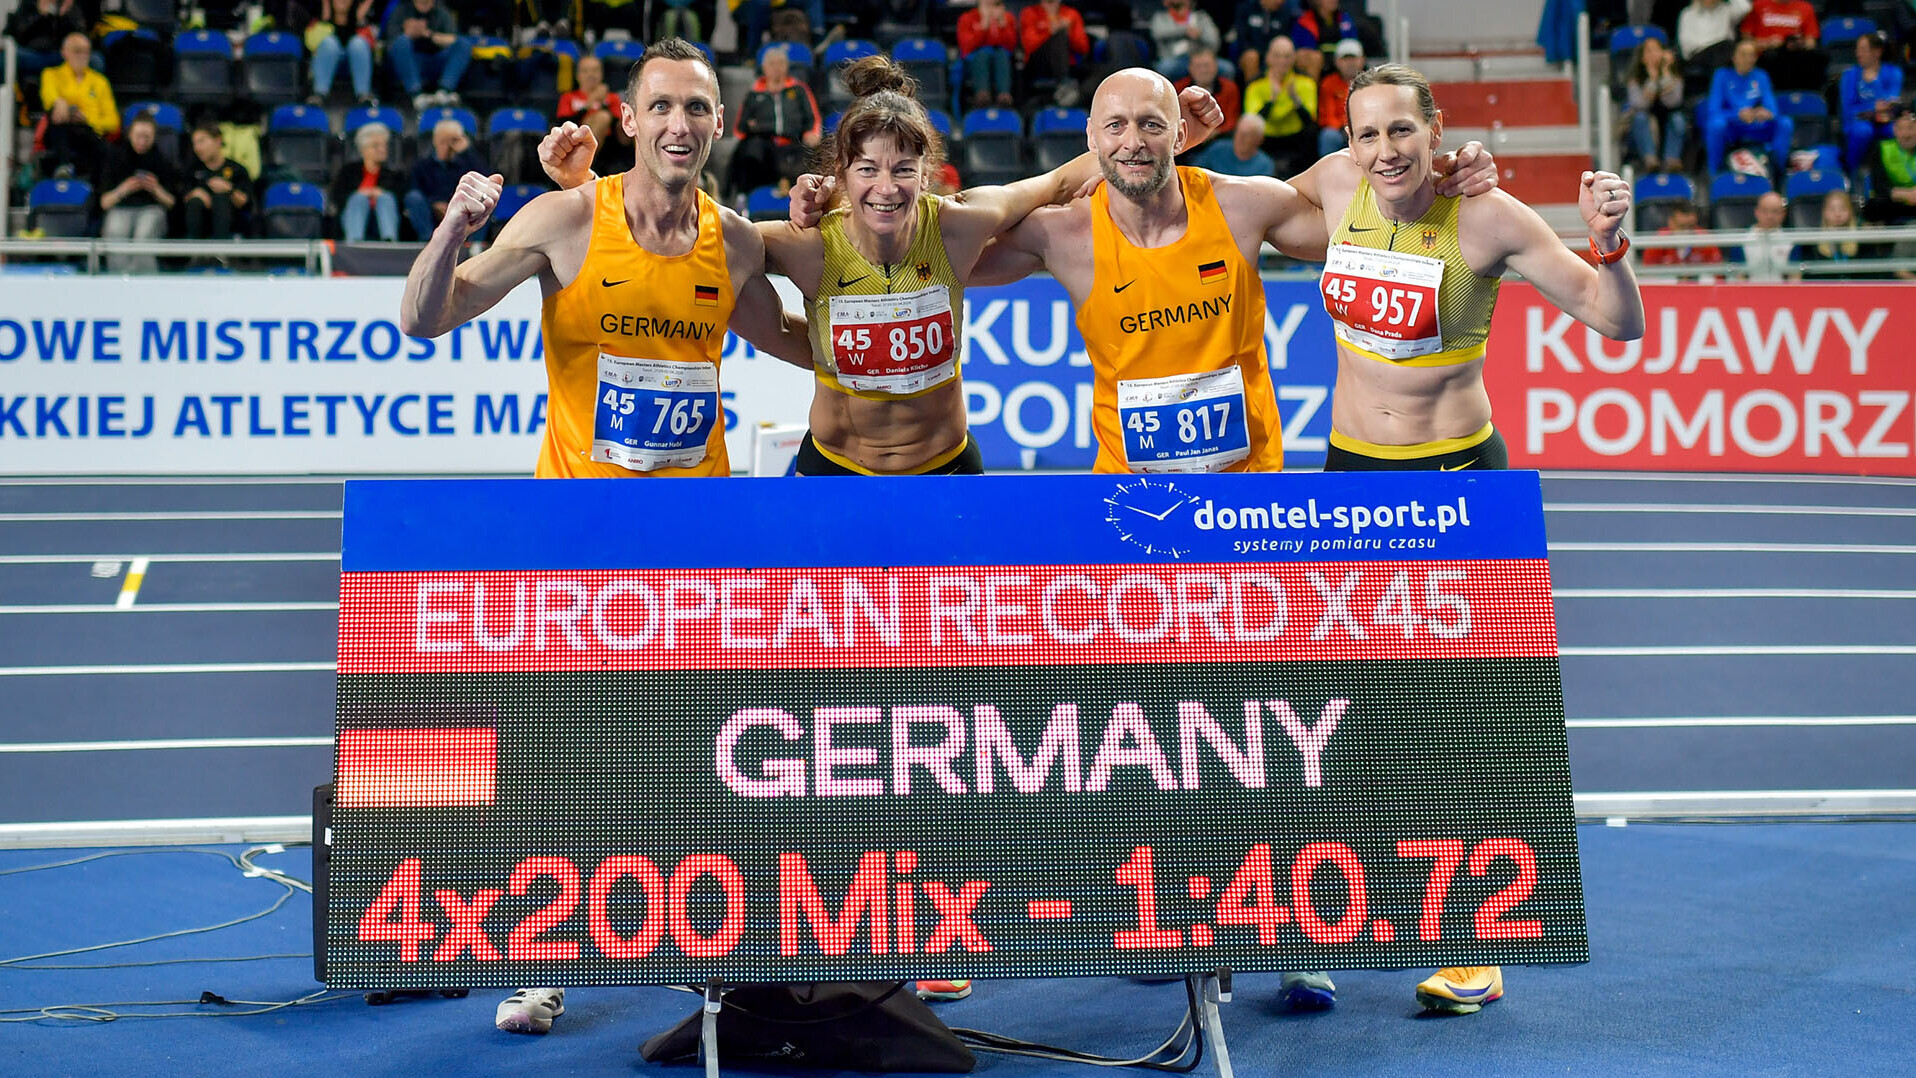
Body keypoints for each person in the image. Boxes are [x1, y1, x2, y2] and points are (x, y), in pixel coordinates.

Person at [401, 41, 812, 1032]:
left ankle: (701, 941)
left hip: (698, 544)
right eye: (662, 106)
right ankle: (546, 954)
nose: (681, 124)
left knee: (701, 753)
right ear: (629, 118)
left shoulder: (736, 241)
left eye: (699, 108)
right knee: (564, 757)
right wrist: (457, 224)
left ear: (720, 124)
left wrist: (875, 272)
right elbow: (425, 318)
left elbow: (802, 341)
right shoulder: (563, 218)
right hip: (577, 538)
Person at [1292, 66, 1643, 1007]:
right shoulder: (1332, 186)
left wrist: (1609, 246)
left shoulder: (1488, 216)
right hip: (1350, 477)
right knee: (1348, 714)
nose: (1385, 151)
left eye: (1402, 130)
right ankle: (1326, 922)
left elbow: (1616, 322)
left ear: (1434, 128)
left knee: (1464, 719)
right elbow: (1226, 216)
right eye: (1368, 135)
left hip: (1455, 486)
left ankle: (1474, 943)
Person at [956, 66, 1499, 479]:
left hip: (1249, 500)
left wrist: (1445, 168)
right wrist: (1058, 182)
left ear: (1179, 137)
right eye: (1115, 128)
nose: (1132, 140)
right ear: (1090, 137)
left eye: (1151, 126)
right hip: (1129, 499)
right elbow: (946, 249)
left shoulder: (1241, 205)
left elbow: (1368, 200)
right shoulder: (1062, 234)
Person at [727, 44, 821, 199]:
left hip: (794, 143)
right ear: (764, 67)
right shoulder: (754, 93)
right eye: (772, 64)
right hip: (765, 145)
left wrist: (812, 133)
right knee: (750, 151)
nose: (776, 68)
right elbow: (740, 128)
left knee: (811, 153)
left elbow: (813, 118)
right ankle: (746, 198)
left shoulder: (799, 90)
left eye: (780, 63)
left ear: (786, 67)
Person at [98, 112, 179, 274]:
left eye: (147, 137)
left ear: (154, 137)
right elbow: (104, 202)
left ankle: (146, 285)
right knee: (116, 232)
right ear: (130, 134)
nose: (142, 142)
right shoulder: (115, 158)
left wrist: (156, 189)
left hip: (151, 208)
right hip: (120, 208)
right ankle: (119, 283)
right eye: (138, 136)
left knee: (143, 237)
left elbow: (171, 202)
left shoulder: (162, 160)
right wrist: (124, 189)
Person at [1702, 39, 1791, 177]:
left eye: (1752, 55)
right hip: (1733, 126)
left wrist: (1765, 113)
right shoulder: (1722, 75)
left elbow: (1772, 109)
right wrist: (1737, 115)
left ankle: (1779, 171)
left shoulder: (1761, 76)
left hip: (1755, 124)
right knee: (1715, 125)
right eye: (1743, 54)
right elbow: (1714, 110)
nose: (1748, 59)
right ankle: (1714, 174)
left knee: (1785, 123)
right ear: (1734, 57)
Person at [36, 31, 116, 181]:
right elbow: (48, 98)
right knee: (57, 115)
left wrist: (87, 119)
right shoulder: (51, 74)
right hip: (59, 129)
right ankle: (63, 167)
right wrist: (61, 103)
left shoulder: (100, 82)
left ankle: (98, 191)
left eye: (86, 51)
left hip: (88, 131)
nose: (82, 55)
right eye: (77, 51)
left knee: (105, 149)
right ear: (64, 52)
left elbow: (112, 121)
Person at [1243, 35, 1316, 178]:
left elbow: (1310, 120)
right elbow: (1252, 122)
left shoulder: (1306, 83)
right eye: (1277, 56)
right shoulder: (1255, 85)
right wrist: (1271, 100)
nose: (1282, 61)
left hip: (1295, 141)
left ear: (1294, 58)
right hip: (1266, 141)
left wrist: (1296, 100)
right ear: (1268, 57)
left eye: (1287, 56)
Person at [384, 0, 474, 113]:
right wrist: (408, 34)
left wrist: (429, 35)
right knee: (401, 42)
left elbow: (454, 38)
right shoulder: (401, 10)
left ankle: (444, 92)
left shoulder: (441, 10)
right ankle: (416, 95)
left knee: (464, 44)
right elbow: (391, 44)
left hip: (437, 60)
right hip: (412, 63)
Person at [406, 118, 484, 240]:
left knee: (484, 198)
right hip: (431, 210)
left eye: (453, 141)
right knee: (413, 198)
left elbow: (484, 180)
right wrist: (434, 204)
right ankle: (428, 240)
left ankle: (474, 244)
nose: (448, 146)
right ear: (435, 141)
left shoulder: (467, 163)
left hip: (462, 209)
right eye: (443, 141)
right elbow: (415, 189)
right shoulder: (423, 165)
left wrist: (467, 152)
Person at [556, 54, 633, 175]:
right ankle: (583, 163)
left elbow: (619, 129)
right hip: (575, 144)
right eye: (586, 71)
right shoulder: (568, 97)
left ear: (601, 74)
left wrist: (602, 104)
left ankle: (585, 164)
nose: (590, 75)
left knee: (606, 118)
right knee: (600, 118)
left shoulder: (612, 98)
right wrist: (589, 103)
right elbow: (562, 125)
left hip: (608, 149)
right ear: (578, 76)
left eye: (595, 70)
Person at [332, 122, 408, 242]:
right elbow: (338, 198)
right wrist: (362, 193)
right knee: (358, 199)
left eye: (384, 146)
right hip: (353, 217)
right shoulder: (348, 172)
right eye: (376, 146)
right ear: (363, 149)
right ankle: (355, 242)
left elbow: (401, 200)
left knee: (385, 198)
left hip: (382, 219)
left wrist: (379, 193)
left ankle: (389, 241)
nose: (382, 149)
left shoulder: (395, 175)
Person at [1839, 32, 1903, 171]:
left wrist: (1875, 82)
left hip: (1885, 122)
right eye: (1857, 49)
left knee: (1900, 131)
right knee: (1863, 130)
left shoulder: (1893, 72)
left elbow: (1891, 103)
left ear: (1877, 52)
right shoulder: (1850, 75)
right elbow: (1848, 109)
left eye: (1863, 49)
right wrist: (1873, 108)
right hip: (1858, 122)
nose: (1858, 54)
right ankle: (1851, 172)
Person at [181, 123, 254, 242]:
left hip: (231, 223)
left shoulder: (237, 169)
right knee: (195, 202)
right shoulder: (192, 171)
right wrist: (195, 194)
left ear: (218, 140)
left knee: (221, 198)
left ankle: (221, 252)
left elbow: (245, 203)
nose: (197, 148)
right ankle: (195, 252)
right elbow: (181, 200)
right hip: (202, 223)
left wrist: (229, 189)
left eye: (201, 141)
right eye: (194, 143)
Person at [1624, 36, 1687, 173]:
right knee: (1640, 117)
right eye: (1649, 51)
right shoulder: (1635, 80)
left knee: (1678, 119)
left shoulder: (1674, 76)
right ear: (1642, 58)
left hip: (1667, 121)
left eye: (1656, 50)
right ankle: (1650, 159)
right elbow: (1641, 104)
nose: (1653, 55)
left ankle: (1672, 159)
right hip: (1642, 128)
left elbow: (1672, 102)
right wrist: (1652, 80)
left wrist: (1665, 73)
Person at [309, 0, 379, 107]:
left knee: (358, 43)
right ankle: (319, 93)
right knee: (329, 43)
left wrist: (360, 19)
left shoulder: (360, 21)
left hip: (353, 63)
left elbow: (372, 45)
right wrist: (325, 17)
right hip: (328, 62)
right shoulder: (321, 19)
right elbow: (312, 44)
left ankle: (364, 94)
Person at [1021, 0, 1091, 106]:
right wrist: (1050, 31)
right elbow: (1029, 46)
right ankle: (1064, 85)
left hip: (1069, 64)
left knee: (1103, 70)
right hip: (1039, 63)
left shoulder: (1071, 14)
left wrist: (1069, 32)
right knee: (1059, 35)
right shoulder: (1030, 13)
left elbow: (1083, 47)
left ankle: (1076, 95)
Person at [1174, 48, 1241, 159]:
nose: (1203, 70)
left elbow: (1232, 121)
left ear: (1216, 67)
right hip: (1186, 142)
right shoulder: (1178, 88)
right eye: (1199, 66)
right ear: (1190, 68)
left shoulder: (1230, 88)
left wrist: (1213, 131)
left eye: (1207, 66)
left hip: (1219, 140)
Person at [957, 0, 1020, 109]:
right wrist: (984, 25)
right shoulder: (967, 18)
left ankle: (1004, 95)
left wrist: (1002, 25)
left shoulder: (1007, 18)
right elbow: (967, 47)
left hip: (1000, 58)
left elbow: (1011, 46)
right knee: (982, 54)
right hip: (975, 60)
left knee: (1001, 54)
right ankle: (982, 95)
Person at [1642, 200, 1725, 280]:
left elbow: (1718, 276)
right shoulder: (1658, 242)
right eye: (1682, 227)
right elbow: (1648, 276)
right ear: (1671, 223)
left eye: (1690, 227)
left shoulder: (1705, 241)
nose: (1686, 232)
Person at [4, 0, 87, 80]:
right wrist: (39, 14)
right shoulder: (29, 3)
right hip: (31, 54)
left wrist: (65, 15)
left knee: (94, 60)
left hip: (60, 56)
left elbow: (81, 36)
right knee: (5, 57)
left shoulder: (69, 3)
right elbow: (16, 32)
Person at [1151, 0, 1226, 82]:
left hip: (1200, 56)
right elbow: (1158, 33)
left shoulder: (1201, 17)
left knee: (1226, 68)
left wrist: (1200, 35)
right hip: (1174, 58)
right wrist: (1184, 31)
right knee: (1165, 68)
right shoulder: (1161, 17)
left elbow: (1214, 41)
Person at [1316, 37, 1365, 157]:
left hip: (1364, 128)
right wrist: (1345, 129)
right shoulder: (1328, 83)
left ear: (1362, 60)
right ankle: (1329, 173)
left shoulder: (1370, 83)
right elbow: (1326, 115)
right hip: (1338, 130)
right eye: (1345, 59)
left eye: (1353, 58)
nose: (1350, 63)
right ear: (1336, 61)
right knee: (1328, 136)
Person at [1796, 188, 1862, 270]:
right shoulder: (1812, 247)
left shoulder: (1862, 243)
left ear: (1850, 212)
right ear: (1824, 212)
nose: (1837, 214)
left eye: (1843, 209)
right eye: (1832, 209)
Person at [1736, 190, 1793, 280]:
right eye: (1765, 211)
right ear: (1757, 212)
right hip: (1751, 292)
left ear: (1783, 214)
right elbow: (1739, 278)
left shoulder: (1791, 243)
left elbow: (1794, 278)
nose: (1769, 216)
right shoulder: (1742, 242)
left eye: (1775, 211)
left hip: (1781, 292)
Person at [1232, 0, 1292, 85]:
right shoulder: (1245, 9)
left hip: (1274, 54)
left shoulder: (1285, 13)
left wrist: (1272, 55)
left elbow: (1285, 40)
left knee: (1282, 56)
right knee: (1251, 56)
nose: (1280, 2)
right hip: (1250, 53)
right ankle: (1252, 92)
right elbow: (1242, 39)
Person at [1196, 112, 1276, 176]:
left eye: (1247, 135)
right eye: (1239, 132)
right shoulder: (1217, 149)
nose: (1241, 138)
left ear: (1259, 140)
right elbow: (1194, 171)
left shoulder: (1264, 165)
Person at [1289, 0, 1358, 59]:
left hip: (1342, 60)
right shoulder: (1304, 23)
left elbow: (1354, 43)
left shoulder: (1345, 18)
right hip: (1318, 63)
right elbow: (1303, 50)